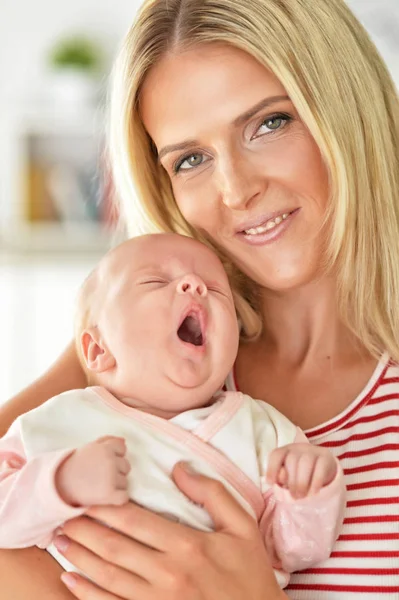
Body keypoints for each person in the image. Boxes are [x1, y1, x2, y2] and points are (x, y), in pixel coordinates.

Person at [0, 0, 398, 598]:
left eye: (269, 123)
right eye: (191, 159)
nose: (236, 191)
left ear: (347, 108)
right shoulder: (135, 365)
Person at [0, 233, 345, 590]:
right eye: (156, 281)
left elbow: (293, 550)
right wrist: (60, 483)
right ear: (97, 348)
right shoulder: (61, 420)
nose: (194, 286)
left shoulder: (266, 433)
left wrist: (309, 494)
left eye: (215, 289)